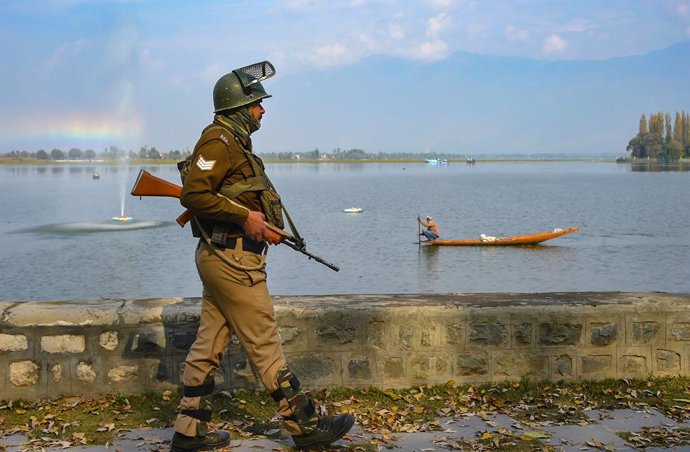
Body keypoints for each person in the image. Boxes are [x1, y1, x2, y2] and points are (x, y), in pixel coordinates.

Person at [171, 61, 355, 452]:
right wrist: (246, 217)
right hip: (232, 261)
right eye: (256, 103)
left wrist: (254, 220)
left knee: (208, 345)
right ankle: (305, 428)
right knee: (265, 344)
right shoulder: (219, 141)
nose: (262, 110)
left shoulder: (232, 141)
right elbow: (194, 195)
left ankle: (189, 433)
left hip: (224, 255)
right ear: (238, 106)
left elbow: (227, 195)